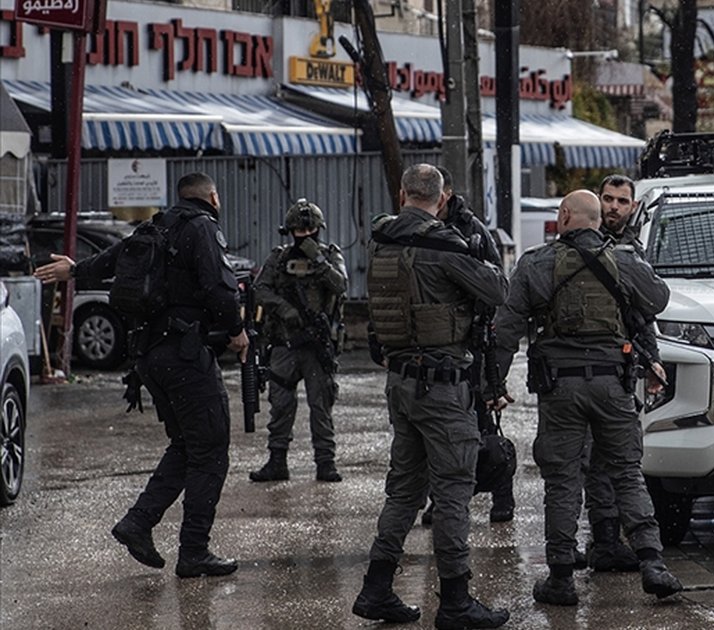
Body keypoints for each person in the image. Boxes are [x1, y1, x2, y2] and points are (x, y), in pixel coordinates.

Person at [34, 173, 249, 578]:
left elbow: (113, 259)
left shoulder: (155, 227)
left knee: (188, 445)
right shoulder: (202, 229)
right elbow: (221, 290)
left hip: (150, 356)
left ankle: (138, 523)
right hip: (186, 356)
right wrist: (237, 333)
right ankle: (194, 552)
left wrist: (75, 269)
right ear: (213, 198)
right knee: (211, 451)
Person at [490, 189, 683, 605]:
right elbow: (658, 300)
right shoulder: (625, 259)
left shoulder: (535, 263)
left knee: (562, 481)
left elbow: (506, 329)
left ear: (563, 216)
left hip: (559, 388)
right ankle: (652, 563)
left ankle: (561, 579)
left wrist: (493, 385)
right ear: (597, 219)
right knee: (626, 472)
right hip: (612, 385)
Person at [353, 164, 509, 629]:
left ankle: (376, 589)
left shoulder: (381, 239)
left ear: (402, 194)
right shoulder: (444, 243)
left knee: (403, 490)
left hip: (400, 381)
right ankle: (457, 602)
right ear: (441, 199)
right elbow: (498, 290)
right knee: (453, 491)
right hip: (442, 385)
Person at [417, 166, 514, 525]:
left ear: (447, 195)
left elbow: (495, 283)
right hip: (440, 343)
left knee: (484, 421)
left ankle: (502, 494)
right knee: (440, 428)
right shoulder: (420, 228)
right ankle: (441, 497)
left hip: (474, 340)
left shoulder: (471, 230)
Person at [581, 174, 666, 572]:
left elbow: (643, 315)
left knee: (611, 462)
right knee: (583, 464)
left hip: (618, 370)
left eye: (621, 201)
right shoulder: (576, 245)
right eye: (608, 199)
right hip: (577, 374)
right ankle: (595, 541)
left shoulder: (633, 253)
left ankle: (606, 541)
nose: (614, 207)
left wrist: (652, 359)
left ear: (633, 207)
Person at [248, 199, 348, 483]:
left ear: (318, 230)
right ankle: (277, 461)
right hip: (285, 344)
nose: (303, 237)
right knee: (280, 404)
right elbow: (261, 289)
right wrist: (286, 309)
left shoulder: (329, 256)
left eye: (309, 231)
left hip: (316, 347)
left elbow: (342, 285)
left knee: (321, 406)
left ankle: (325, 463)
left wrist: (316, 258)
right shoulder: (279, 258)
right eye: (298, 232)